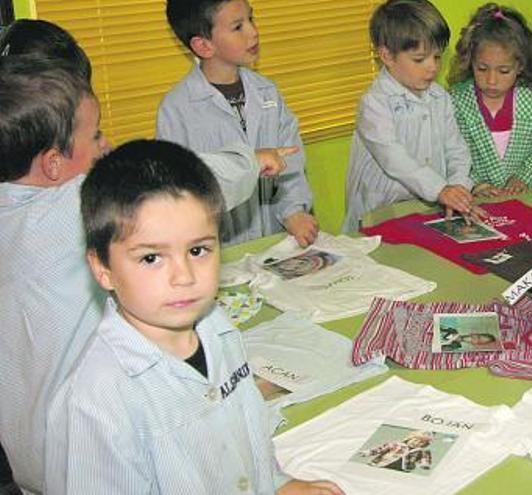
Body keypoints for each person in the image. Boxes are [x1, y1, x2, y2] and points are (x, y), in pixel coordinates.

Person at [0, 31, 277, 490]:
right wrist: (252, 160)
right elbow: (173, 186)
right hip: (91, 449)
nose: (106, 144)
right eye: (95, 135)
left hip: (27, 453)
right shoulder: (63, 209)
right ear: (52, 164)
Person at [43, 139, 344, 495]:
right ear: (102, 269)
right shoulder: (96, 401)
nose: (184, 276)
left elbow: (246, 437)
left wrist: (278, 483)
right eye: (151, 258)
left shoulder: (218, 327)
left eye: (198, 250)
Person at [158, 0, 318, 247]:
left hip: (274, 242)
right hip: (218, 250)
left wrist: (293, 211)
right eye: (237, 27)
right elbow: (178, 190)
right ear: (204, 45)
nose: (253, 32)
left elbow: (291, 159)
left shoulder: (268, 92)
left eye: (251, 19)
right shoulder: (176, 109)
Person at [343, 0, 475, 232]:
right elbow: (394, 159)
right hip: (381, 210)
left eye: (437, 57)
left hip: (427, 207)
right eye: (419, 59)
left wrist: (458, 187)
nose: (432, 67)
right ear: (387, 56)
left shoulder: (440, 98)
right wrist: (440, 189)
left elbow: (456, 149)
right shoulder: (375, 103)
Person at [448, 3, 532, 196]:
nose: (491, 80)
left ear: (520, 65)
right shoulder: (456, 100)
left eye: (503, 71)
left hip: (523, 195)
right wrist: (473, 183)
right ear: (470, 62)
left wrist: (525, 176)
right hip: (473, 198)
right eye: (482, 69)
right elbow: (447, 151)